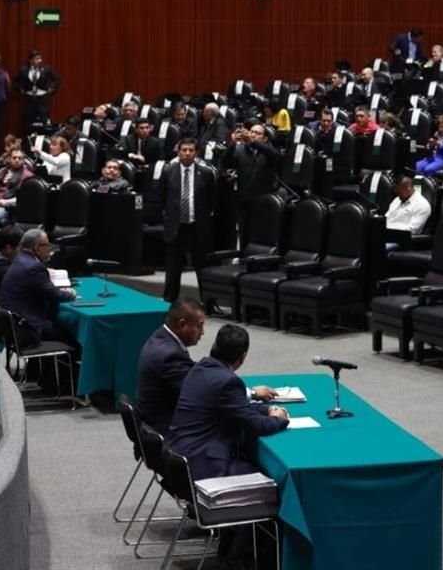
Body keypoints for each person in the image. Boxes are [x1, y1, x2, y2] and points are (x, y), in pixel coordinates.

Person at [168, 324, 287, 568]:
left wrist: (266, 409)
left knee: (252, 466)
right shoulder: (227, 381)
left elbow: (236, 408)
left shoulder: (201, 367)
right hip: (204, 465)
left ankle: (234, 549)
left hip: (182, 458)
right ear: (242, 357)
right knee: (271, 487)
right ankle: (239, 559)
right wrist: (278, 419)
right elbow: (257, 426)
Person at [136, 298, 208, 436]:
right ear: (182, 324)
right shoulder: (169, 355)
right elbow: (199, 395)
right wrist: (249, 395)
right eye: (199, 326)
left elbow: (191, 371)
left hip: (157, 420)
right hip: (168, 430)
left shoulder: (160, 337)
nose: (202, 332)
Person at [0, 228, 78, 347]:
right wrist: (71, 293)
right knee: (74, 337)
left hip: (12, 325)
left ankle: (43, 365)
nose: (49, 248)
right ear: (37, 248)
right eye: (47, 244)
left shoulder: (20, 259)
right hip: (26, 328)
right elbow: (55, 295)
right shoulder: (33, 267)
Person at [159, 139, 216, 302]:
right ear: (178, 152)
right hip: (176, 226)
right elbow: (162, 198)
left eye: (191, 150)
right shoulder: (169, 171)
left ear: (196, 153)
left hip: (197, 226)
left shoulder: (205, 173)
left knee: (202, 266)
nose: (187, 153)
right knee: (173, 268)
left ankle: (208, 302)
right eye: (184, 150)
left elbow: (212, 199)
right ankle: (169, 300)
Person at [222, 123, 281, 249]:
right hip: (245, 199)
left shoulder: (269, 151)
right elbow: (226, 164)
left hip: (264, 202)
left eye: (258, 133)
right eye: (252, 131)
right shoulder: (240, 150)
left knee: (261, 235)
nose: (253, 134)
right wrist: (232, 144)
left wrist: (253, 143)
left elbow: (275, 156)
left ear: (265, 138)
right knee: (244, 235)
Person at [13, 50, 60, 134]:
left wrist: (52, 88)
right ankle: (29, 141)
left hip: (42, 98)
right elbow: (15, 81)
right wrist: (20, 89)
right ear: (31, 60)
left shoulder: (46, 69)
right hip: (29, 98)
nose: (40, 60)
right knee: (28, 120)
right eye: (37, 59)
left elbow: (56, 78)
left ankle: (43, 140)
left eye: (40, 58)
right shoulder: (24, 70)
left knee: (43, 119)